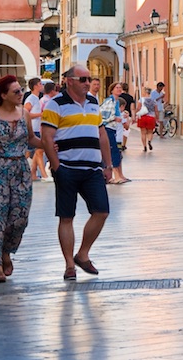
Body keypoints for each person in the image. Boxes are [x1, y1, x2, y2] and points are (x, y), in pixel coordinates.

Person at [41, 65, 113, 281]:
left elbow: (101, 134)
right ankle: (69, 264)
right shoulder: (56, 104)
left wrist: (107, 165)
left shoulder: (92, 102)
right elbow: (47, 138)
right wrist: (57, 167)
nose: (87, 82)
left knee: (101, 211)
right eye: (83, 79)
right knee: (66, 217)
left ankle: (82, 254)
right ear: (69, 81)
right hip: (67, 168)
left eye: (89, 79)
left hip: (92, 169)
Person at [0, 75, 43, 283]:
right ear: (3, 95)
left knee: (19, 217)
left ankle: (6, 251)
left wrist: (48, 144)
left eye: (21, 90)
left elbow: (30, 139)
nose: (21, 94)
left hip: (20, 170)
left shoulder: (24, 115)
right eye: (16, 91)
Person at [100, 82, 129, 184]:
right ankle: (116, 176)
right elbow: (103, 115)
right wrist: (115, 118)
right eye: (117, 88)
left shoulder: (116, 102)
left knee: (115, 152)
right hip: (108, 128)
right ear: (112, 90)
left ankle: (116, 175)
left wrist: (121, 117)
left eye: (120, 88)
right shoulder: (110, 101)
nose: (119, 89)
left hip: (113, 129)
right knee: (114, 152)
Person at [23, 78, 44, 181]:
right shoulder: (31, 98)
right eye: (40, 84)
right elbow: (25, 113)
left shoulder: (37, 98)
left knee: (38, 151)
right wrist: (40, 114)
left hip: (37, 129)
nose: (42, 85)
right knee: (29, 152)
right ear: (35, 86)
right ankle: (43, 175)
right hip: (32, 129)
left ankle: (33, 174)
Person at [137, 87, 157, 152]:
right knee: (150, 132)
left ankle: (144, 146)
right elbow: (156, 110)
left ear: (145, 92)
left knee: (143, 133)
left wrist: (136, 114)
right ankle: (149, 141)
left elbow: (138, 108)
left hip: (143, 117)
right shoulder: (154, 100)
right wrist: (157, 117)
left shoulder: (141, 100)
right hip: (151, 117)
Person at [119, 83, 136, 150]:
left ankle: (119, 142)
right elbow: (132, 108)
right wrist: (133, 117)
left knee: (119, 129)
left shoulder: (118, 96)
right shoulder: (130, 97)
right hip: (127, 115)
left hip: (119, 113)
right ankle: (124, 144)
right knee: (126, 130)